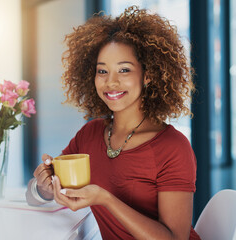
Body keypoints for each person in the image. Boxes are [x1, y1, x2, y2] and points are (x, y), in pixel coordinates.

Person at [26, 6, 201, 240]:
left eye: (124, 70)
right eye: (102, 71)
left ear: (147, 75)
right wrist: (43, 187)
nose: (111, 82)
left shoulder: (173, 147)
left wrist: (105, 199)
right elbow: (34, 196)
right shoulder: (90, 134)